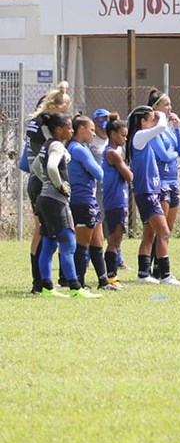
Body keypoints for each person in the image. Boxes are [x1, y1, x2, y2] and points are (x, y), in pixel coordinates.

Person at [31, 113, 99, 298]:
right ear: (59, 129)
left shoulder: (47, 144)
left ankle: (47, 286)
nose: (71, 130)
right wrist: (59, 185)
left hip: (44, 200)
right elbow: (52, 167)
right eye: (69, 127)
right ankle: (76, 288)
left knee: (49, 243)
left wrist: (46, 182)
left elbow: (36, 166)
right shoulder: (58, 145)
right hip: (56, 201)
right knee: (69, 243)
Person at [21, 82, 71, 293]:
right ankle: (40, 282)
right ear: (55, 108)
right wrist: (57, 184)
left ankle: (41, 282)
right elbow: (45, 162)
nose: (65, 118)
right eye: (63, 112)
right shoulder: (45, 127)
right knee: (45, 232)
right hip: (42, 183)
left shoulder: (36, 121)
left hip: (36, 180)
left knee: (42, 231)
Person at [128, 105, 180, 285]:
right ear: (143, 122)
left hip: (150, 191)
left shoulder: (144, 138)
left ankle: (143, 274)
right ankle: (165, 275)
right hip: (147, 192)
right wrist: (160, 113)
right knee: (164, 231)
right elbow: (161, 127)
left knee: (149, 234)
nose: (155, 120)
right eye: (151, 118)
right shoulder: (139, 136)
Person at [67, 115, 113, 291]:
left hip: (90, 200)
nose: (94, 134)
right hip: (83, 201)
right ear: (81, 130)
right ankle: (78, 283)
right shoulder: (78, 149)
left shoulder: (80, 147)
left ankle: (103, 282)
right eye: (91, 130)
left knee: (97, 242)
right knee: (82, 244)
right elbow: (99, 173)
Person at [148, 89, 180, 276]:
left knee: (168, 228)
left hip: (173, 181)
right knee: (159, 229)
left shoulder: (169, 130)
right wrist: (173, 155)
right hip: (160, 182)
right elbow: (164, 155)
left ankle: (159, 263)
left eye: (170, 104)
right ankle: (156, 267)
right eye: (166, 104)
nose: (169, 108)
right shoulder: (153, 130)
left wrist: (178, 128)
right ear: (155, 107)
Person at [101, 115, 133, 284]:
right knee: (115, 240)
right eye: (123, 135)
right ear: (113, 135)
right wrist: (128, 168)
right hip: (116, 201)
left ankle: (111, 276)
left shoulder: (111, 152)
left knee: (114, 240)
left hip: (114, 201)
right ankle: (111, 277)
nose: (125, 138)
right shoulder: (113, 153)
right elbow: (129, 176)